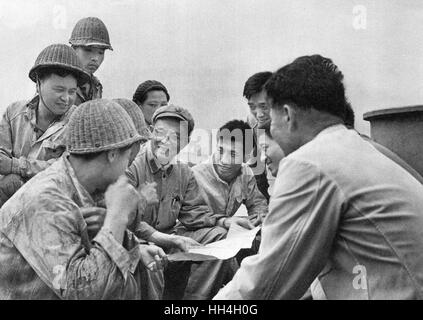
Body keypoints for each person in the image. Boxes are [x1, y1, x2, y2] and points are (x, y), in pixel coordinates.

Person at [214, 54, 423, 300]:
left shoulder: (308, 163)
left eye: (270, 118)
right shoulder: (360, 147)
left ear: (287, 115)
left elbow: (264, 283)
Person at [0, 99, 167, 299]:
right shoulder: (46, 200)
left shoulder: (83, 186)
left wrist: (134, 250)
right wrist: (117, 218)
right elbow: (79, 292)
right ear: (113, 154)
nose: (127, 168)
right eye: (127, 158)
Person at [126, 105, 235, 300]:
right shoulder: (132, 166)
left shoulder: (184, 173)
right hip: (135, 239)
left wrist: (225, 222)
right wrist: (172, 240)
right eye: (160, 132)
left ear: (185, 143)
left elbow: (195, 214)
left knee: (220, 236)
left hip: (169, 239)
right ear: (150, 132)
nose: (166, 141)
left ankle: (193, 300)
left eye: (175, 136)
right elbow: (128, 220)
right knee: (151, 259)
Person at [0, 43, 90, 207]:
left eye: (72, 92)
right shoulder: (13, 113)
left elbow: (68, 170)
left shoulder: (79, 122)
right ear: (38, 84)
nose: (66, 98)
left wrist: (16, 166)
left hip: (51, 205)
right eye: (59, 89)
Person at [192, 119, 268, 229]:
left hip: (224, 234)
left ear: (245, 157)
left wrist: (258, 220)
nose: (224, 160)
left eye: (233, 154)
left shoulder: (246, 174)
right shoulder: (195, 176)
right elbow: (191, 218)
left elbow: (257, 204)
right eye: (220, 151)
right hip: (196, 232)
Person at [243, 71, 274, 201]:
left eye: (264, 106)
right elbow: (254, 165)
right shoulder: (252, 120)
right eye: (252, 107)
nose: (259, 114)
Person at [69, 17, 113, 105]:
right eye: (88, 50)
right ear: (74, 50)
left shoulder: (96, 86)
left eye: (101, 52)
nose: (95, 58)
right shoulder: (62, 81)